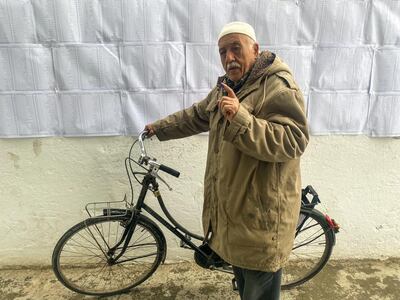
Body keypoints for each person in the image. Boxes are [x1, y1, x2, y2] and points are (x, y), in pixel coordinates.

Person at [145, 21, 309, 300]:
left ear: (255, 50)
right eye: (222, 52)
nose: (229, 58)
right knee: (246, 285)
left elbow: (294, 141)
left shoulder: (277, 86)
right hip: (237, 216)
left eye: (236, 48)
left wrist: (241, 119)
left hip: (261, 217)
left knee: (259, 291)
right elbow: (197, 115)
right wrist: (158, 128)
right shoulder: (228, 86)